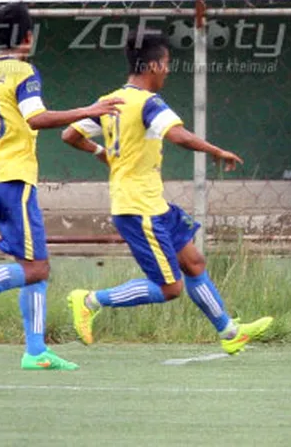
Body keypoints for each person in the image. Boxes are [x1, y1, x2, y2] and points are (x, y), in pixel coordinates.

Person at [0, 3, 123, 371]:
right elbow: (36, 117)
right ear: (28, 37)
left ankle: (35, 351)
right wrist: (88, 110)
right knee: (38, 268)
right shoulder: (23, 72)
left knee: (31, 265)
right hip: (14, 181)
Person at [62, 34, 273, 355]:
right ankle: (90, 301)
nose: (168, 70)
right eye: (166, 64)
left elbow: (70, 135)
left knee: (194, 262)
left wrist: (101, 152)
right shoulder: (148, 102)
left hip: (153, 203)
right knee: (170, 287)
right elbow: (177, 135)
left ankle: (230, 332)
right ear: (152, 66)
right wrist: (216, 151)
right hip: (138, 208)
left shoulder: (111, 101)